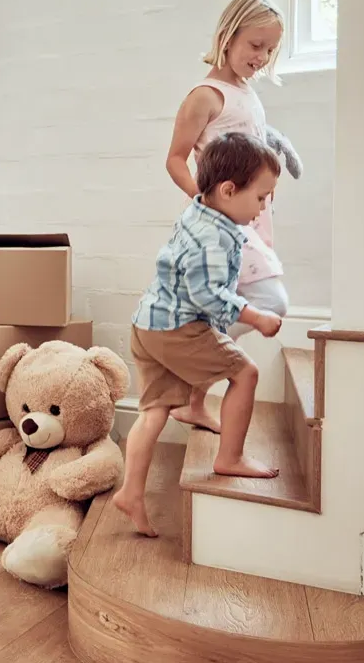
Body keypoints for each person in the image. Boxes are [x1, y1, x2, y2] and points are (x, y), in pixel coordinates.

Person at [113, 132, 284, 538]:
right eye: (261, 198)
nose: (264, 207)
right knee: (245, 373)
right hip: (177, 329)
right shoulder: (215, 236)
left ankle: (131, 492)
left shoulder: (200, 210)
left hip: (148, 322)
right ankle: (231, 457)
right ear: (228, 190)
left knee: (153, 410)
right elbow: (206, 294)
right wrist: (254, 316)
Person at [161, 0, 295, 436]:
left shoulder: (247, 94)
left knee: (219, 305)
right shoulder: (205, 95)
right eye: (255, 45)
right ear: (227, 35)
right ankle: (193, 372)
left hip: (252, 217)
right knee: (269, 300)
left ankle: (193, 399)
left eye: (270, 50)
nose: (262, 57)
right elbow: (177, 158)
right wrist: (206, 202)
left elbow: (255, 143)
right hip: (220, 222)